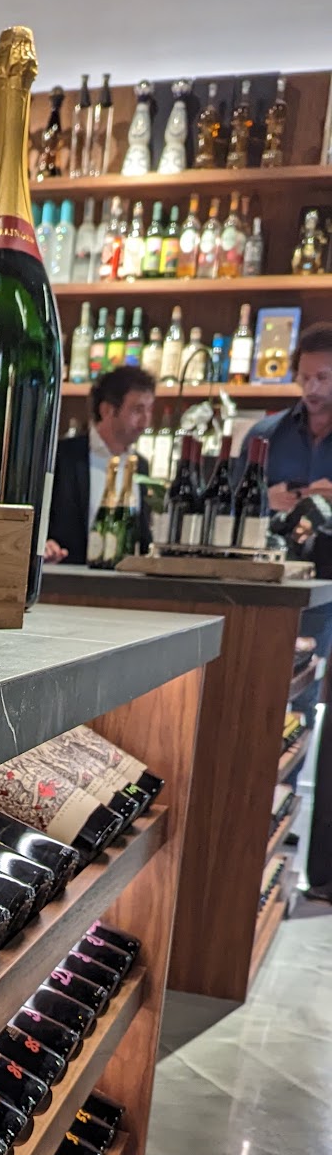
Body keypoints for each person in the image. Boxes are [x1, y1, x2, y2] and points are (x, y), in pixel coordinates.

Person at [245, 323, 332, 902]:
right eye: (305, 377)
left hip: (328, 599)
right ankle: (255, 832)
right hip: (273, 600)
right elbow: (226, 504)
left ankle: (292, 838)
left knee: (308, 715)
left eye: (324, 377)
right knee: (264, 708)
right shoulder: (266, 434)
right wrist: (266, 499)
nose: (313, 388)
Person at [44, 365, 156, 566]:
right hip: (65, 577)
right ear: (107, 410)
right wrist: (44, 544)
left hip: (123, 580)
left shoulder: (141, 466)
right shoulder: (62, 456)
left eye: (149, 410)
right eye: (137, 410)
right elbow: (36, 516)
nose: (146, 421)